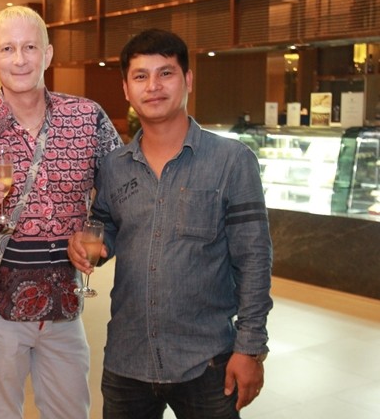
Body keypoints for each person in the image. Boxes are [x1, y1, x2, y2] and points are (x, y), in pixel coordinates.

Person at [68, 28, 273, 419]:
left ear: (188, 80)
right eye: (140, 76)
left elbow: (254, 259)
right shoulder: (113, 166)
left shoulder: (231, 161)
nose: (153, 86)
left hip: (207, 362)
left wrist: (250, 348)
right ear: (126, 89)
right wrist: (89, 247)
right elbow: (106, 226)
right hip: (128, 359)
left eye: (166, 73)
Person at [0, 5, 122, 419]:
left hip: (65, 306)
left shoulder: (86, 118)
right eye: (8, 49)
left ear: (48, 54)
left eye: (30, 47)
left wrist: (100, 240)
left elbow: (121, 195)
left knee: (70, 412)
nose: (20, 59)